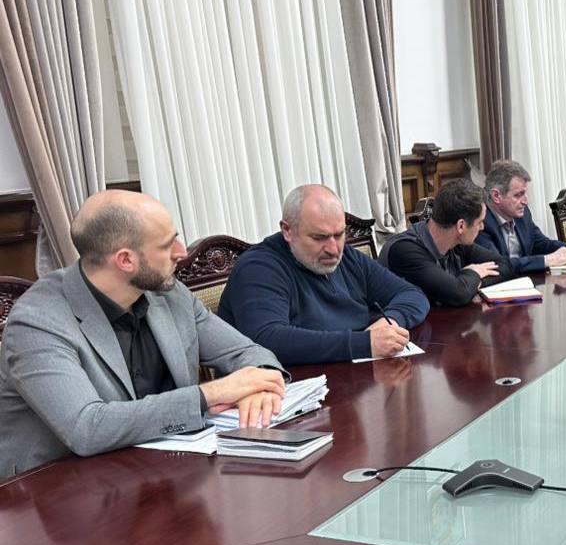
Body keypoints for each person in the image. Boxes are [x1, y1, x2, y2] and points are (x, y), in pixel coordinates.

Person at [0, 190, 287, 476]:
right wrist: (210, 394)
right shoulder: (37, 322)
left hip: (166, 469)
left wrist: (260, 388)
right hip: (60, 486)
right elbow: (87, 428)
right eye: (167, 244)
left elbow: (246, 352)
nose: (182, 252)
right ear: (126, 260)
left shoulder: (168, 292)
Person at [219, 184, 428, 365]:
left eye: (339, 234)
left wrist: (391, 320)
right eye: (319, 237)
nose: (333, 249)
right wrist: (364, 344)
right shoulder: (259, 268)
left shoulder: (347, 257)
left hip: (358, 375)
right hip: (293, 386)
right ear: (287, 231)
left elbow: (412, 294)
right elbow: (268, 338)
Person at [381, 178, 515, 307]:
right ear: (461, 226)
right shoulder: (404, 250)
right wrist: (472, 275)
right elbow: (459, 294)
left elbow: (504, 265)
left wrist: (470, 284)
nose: (482, 227)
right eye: (479, 222)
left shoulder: (457, 242)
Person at [475, 159, 566, 274]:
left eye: (525, 193)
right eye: (518, 195)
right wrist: (546, 260)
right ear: (496, 196)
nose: (525, 201)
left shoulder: (522, 214)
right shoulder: (480, 223)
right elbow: (499, 265)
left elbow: (540, 243)